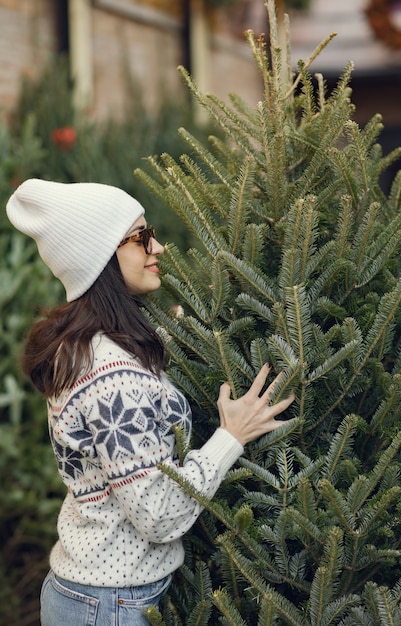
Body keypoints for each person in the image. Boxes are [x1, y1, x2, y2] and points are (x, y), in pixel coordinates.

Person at [6, 178, 295, 626]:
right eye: (140, 237)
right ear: (100, 256)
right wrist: (230, 437)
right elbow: (158, 515)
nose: (157, 247)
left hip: (96, 595)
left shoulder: (86, 343)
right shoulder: (112, 375)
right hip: (110, 606)